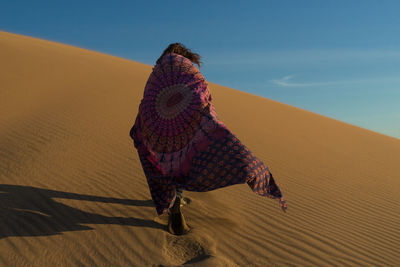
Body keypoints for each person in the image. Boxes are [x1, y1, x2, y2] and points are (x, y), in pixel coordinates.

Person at [130, 43, 287, 235]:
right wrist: (206, 114)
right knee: (184, 158)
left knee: (165, 160)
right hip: (188, 117)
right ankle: (176, 201)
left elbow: (148, 98)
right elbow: (201, 91)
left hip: (156, 121)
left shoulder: (159, 69)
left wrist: (142, 124)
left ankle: (170, 199)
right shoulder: (187, 67)